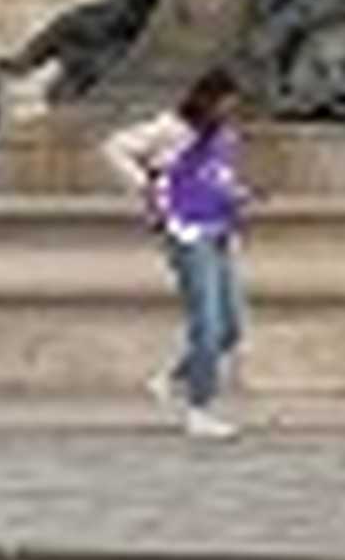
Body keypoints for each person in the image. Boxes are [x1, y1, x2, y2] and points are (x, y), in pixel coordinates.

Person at [100, 69, 253, 441]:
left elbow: (215, 175)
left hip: (218, 229)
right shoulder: (171, 128)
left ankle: (171, 377)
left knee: (231, 326)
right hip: (186, 233)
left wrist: (236, 193)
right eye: (227, 101)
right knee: (207, 321)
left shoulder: (223, 135)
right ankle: (199, 409)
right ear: (210, 97)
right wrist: (145, 186)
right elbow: (114, 147)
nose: (232, 109)